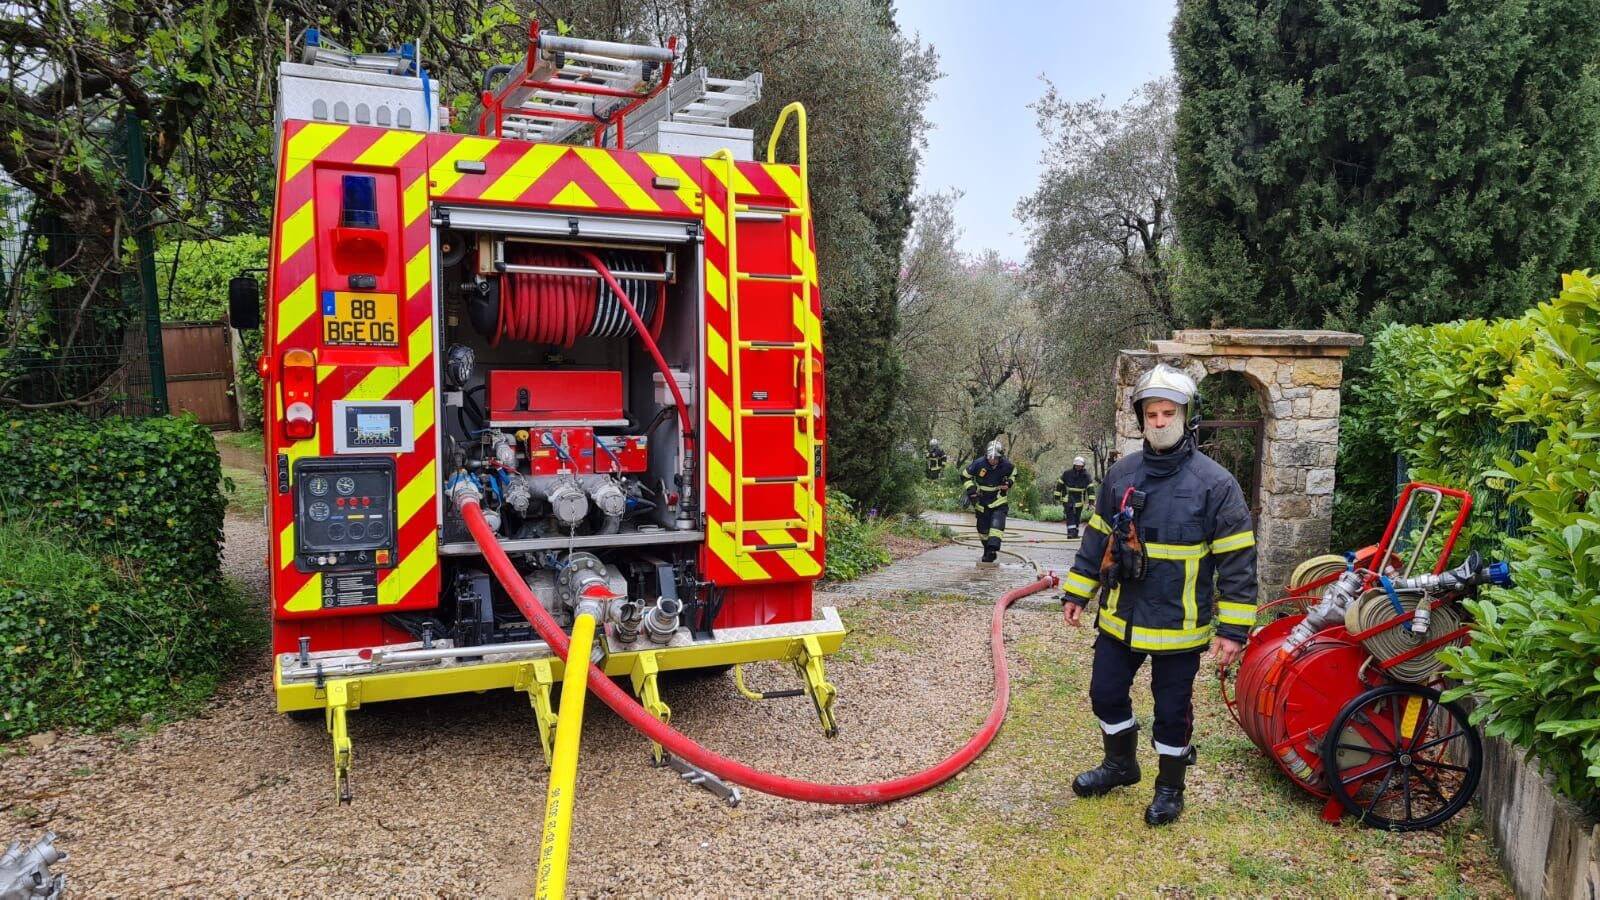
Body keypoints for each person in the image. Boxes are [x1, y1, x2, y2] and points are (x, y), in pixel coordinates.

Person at [1059, 364, 1258, 826]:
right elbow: (1097, 538)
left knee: (1171, 712)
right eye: (1153, 413)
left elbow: (1236, 562)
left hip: (1179, 623)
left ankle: (1170, 788)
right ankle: (1121, 765)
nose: (1161, 421)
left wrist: (1233, 629)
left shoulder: (1216, 485)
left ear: (1186, 416)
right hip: (1120, 616)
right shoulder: (1121, 474)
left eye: (1169, 412)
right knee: (1105, 693)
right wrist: (1077, 591)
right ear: (1142, 418)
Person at [962, 440, 1014, 564]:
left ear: (1000, 457)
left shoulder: (1006, 465)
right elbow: (964, 476)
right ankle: (988, 550)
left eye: (995, 458)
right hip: (981, 501)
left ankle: (992, 549)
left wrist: (1009, 483)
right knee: (982, 530)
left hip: (998, 501)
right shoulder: (978, 464)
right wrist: (971, 489)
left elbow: (1014, 474)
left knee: (996, 526)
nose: (992, 460)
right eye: (990, 458)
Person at [1055, 456, 1095, 539]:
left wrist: (1091, 503)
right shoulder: (1067, 473)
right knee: (1070, 516)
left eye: (1079, 466)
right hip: (1068, 498)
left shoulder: (1086, 476)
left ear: (1083, 466)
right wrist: (1057, 497)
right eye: (1076, 465)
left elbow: (1090, 489)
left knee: (1077, 517)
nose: (1078, 467)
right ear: (1074, 465)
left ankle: (1075, 533)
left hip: (1079, 499)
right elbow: (1059, 485)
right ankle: (1070, 533)